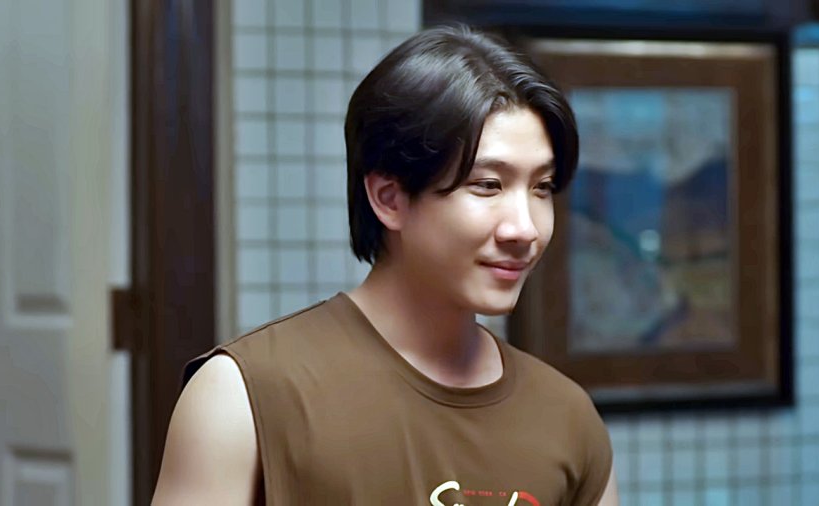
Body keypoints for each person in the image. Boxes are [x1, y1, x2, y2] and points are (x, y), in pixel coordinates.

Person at [151, 24, 618, 505]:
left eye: (541, 188)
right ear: (389, 198)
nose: (524, 228)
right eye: (487, 185)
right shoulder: (243, 396)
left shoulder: (567, 418)